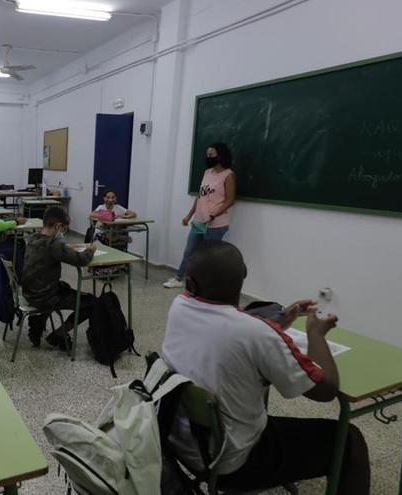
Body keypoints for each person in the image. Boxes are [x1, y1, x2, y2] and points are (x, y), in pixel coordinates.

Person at [161, 240, 370, 494]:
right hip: (234, 463)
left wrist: (279, 321)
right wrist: (315, 333)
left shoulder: (179, 306)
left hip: (184, 445)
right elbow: (325, 391)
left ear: (190, 284)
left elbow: (228, 325)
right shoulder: (257, 335)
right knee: (351, 440)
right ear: (243, 277)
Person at [21, 207, 97, 351]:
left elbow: (60, 249)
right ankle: (57, 335)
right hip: (45, 296)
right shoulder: (54, 245)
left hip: (29, 291)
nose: (63, 232)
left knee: (64, 288)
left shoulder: (33, 238)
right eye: (63, 229)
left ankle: (39, 321)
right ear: (58, 226)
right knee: (91, 303)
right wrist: (91, 249)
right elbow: (82, 260)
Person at [163, 142, 236, 288]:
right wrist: (189, 215)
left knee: (208, 256)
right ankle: (179, 278)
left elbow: (230, 200)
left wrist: (214, 214)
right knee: (189, 251)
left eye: (211, 155)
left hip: (215, 224)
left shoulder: (229, 175)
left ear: (220, 156)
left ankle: (206, 284)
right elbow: (200, 196)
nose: (208, 157)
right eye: (207, 155)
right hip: (199, 221)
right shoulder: (207, 173)